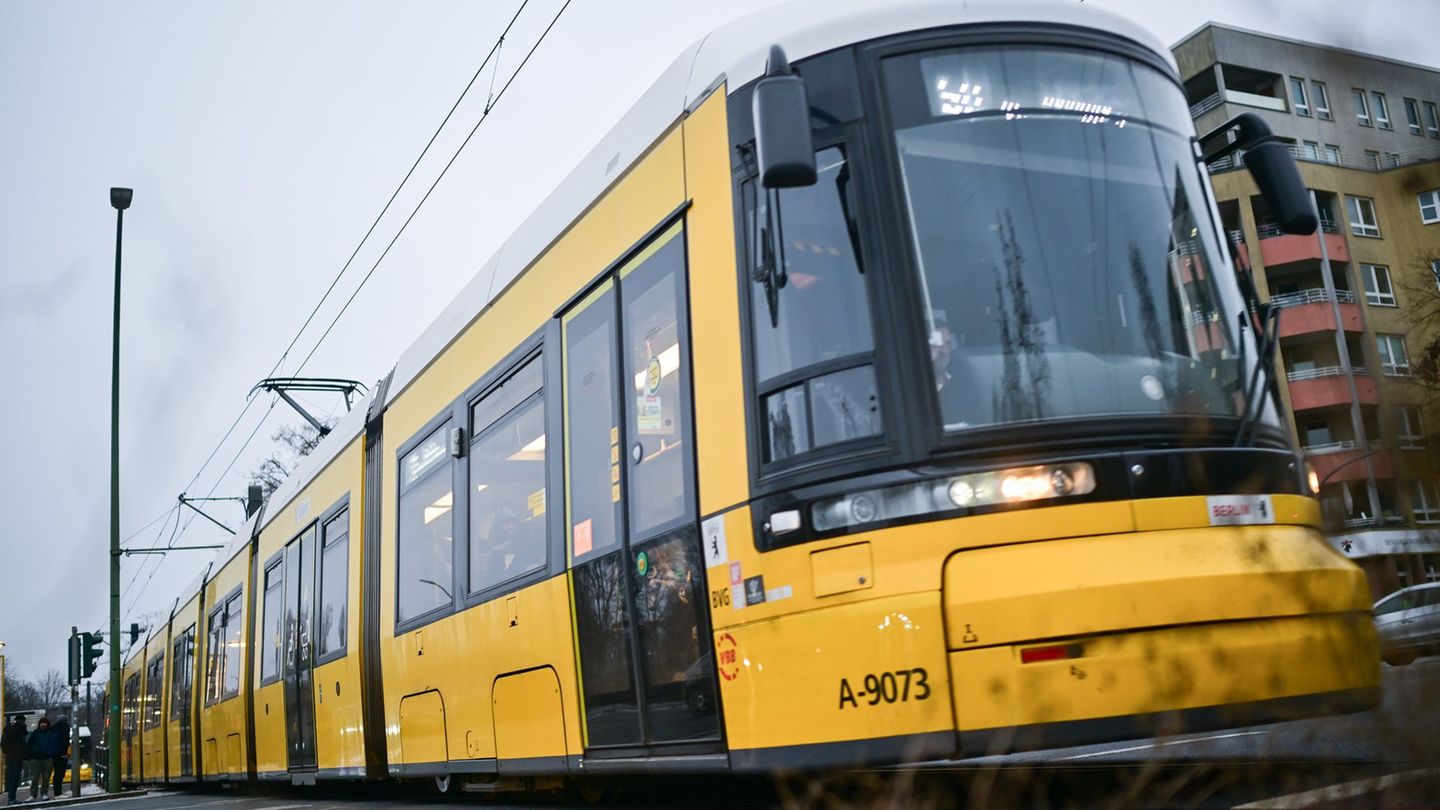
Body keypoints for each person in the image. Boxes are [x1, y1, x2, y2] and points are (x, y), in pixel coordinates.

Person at [26, 717, 57, 802]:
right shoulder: (35, 733)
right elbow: (29, 744)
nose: (43, 724)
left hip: (47, 758)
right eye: (41, 723)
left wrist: (52, 753)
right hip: (36, 758)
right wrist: (30, 755)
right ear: (39, 724)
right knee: (34, 777)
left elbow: (54, 743)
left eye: (44, 723)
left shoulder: (51, 733)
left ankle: (44, 793)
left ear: (47, 724)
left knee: (46, 777)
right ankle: (33, 794)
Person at [1, 715, 28, 805]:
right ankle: (12, 798)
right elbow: (24, 732)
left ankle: (11, 798)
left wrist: (8, 752)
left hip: (10, 756)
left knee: (11, 777)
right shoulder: (19, 728)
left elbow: (3, 744)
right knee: (15, 778)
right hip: (17, 757)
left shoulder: (7, 730)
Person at [49, 716, 69, 799]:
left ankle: (57, 792)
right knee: (60, 774)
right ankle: (58, 793)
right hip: (61, 754)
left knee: (57, 773)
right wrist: (65, 752)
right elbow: (65, 741)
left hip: (54, 753)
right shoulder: (64, 727)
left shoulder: (53, 728)